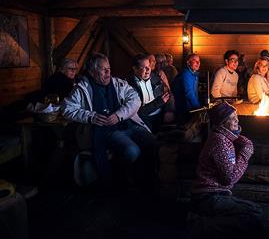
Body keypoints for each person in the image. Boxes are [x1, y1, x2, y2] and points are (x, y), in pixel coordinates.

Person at [62, 53, 157, 185]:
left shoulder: (118, 84)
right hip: (107, 131)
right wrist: (91, 116)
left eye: (109, 68)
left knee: (154, 142)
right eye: (103, 69)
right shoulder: (82, 88)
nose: (108, 72)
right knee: (132, 150)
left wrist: (119, 115)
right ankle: (122, 178)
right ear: (92, 72)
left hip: (128, 124)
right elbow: (67, 109)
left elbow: (135, 99)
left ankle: (144, 178)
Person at [189, 102, 263, 238]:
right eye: (233, 118)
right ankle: (202, 226)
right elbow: (230, 178)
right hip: (208, 197)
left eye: (237, 116)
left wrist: (243, 142)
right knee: (255, 212)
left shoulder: (221, 136)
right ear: (223, 122)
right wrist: (245, 154)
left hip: (212, 195)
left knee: (252, 213)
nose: (237, 120)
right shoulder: (220, 142)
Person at [128, 54, 175, 133]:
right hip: (143, 120)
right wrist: (159, 102)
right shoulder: (129, 85)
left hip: (161, 115)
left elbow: (168, 93)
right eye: (143, 67)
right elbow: (137, 112)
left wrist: (169, 110)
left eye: (148, 66)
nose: (148, 69)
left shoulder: (155, 77)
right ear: (135, 69)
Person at [172, 54, 201, 123]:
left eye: (199, 61)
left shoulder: (192, 74)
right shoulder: (186, 74)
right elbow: (189, 93)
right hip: (184, 109)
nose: (198, 63)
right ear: (188, 63)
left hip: (190, 108)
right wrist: (199, 108)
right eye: (195, 61)